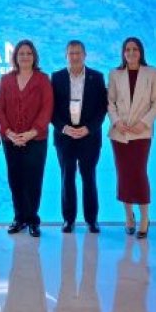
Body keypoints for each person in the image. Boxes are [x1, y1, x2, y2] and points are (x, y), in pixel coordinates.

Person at [107, 37, 156, 239]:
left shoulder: (153, 73)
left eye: (135, 49)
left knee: (139, 173)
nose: (131, 53)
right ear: (123, 53)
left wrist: (144, 123)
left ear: (141, 52)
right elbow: (110, 102)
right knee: (123, 174)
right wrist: (116, 121)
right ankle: (128, 216)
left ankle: (145, 218)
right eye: (128, 49)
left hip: (141, 132)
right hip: (120, 132)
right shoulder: (115, 74)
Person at [0, 39, 53, 238]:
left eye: (28, 53)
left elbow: (47, 108)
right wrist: (9, 133)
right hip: (11, 140)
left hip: (36, 139)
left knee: (33, 180)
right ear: (15, 57)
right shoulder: (6, 80)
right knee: (15, 179)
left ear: (34, 56)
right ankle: (19, 218)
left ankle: (33, 220)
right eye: (21, 53)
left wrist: (32, 132)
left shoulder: (43, 79)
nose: (25, 57)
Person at [50, 40, 108, 234]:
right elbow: (50, 109)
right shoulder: (56, 77)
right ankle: (68, 220)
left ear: (85, 55)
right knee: (67, 178)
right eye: (71, 53)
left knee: (89, 177)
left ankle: (92, 220)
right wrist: (64, 128)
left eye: (78, 53)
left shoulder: (97, 77)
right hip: (64, 137)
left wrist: (88, 128)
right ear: (66, 56)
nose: (74, 56)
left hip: (89, 137)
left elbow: (102, 108)